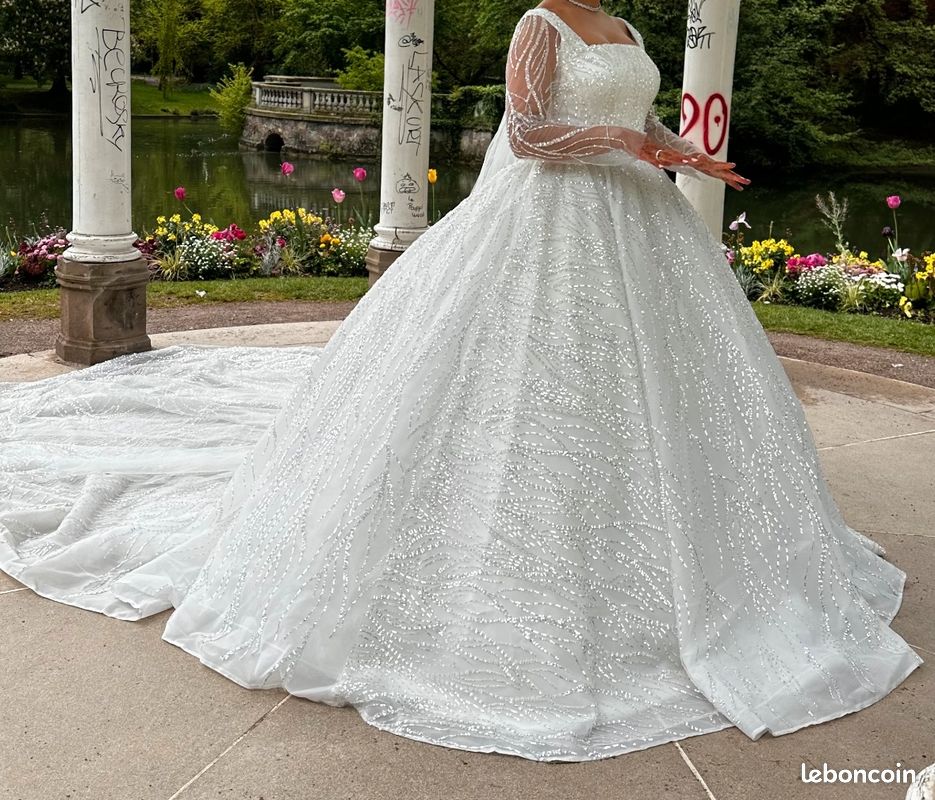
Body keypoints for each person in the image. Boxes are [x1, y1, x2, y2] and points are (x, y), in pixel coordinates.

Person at [0, 0, 921, 763]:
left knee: (662, 402)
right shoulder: (540, 24)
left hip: (640, 229)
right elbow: (526, 133)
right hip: (547, 225)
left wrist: (677, 147)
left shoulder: (630, 31)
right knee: (509, 394)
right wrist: (628, 142)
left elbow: (638, 123)